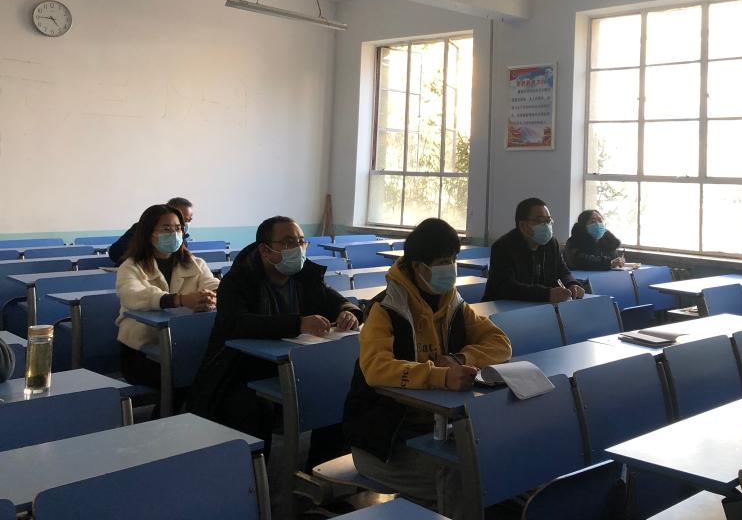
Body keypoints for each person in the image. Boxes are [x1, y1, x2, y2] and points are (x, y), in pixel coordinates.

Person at [343, 217, 511, 515]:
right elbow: (376, 368)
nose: (452, 268)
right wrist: (439, 377)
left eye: (454, 259)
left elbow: (500, 343)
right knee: (464, 479)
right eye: (444, 262)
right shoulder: (385, 309)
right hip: (384, 443)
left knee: (494, 462)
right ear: (419, 267)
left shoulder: (453, 304)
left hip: (436, 431)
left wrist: (461, 359)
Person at [186, 215, 362, 466]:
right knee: (252, 408)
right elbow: (237, 323)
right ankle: (253, 478)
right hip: (239, 369)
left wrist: (349, 313)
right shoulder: (238, 281)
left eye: (301, 241)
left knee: (339, 392)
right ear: (265, 250)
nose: (297, 248)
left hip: (294, 365)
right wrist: (298, 323)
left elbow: (337, 301)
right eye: (288, 242)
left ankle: (321, 472)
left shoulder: (305, 276)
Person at [115, 203, 219, 393]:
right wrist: (180, 300)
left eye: (178, 228)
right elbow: (133, 295)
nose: (174, 234)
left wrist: (212, 297)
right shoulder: (130, 267)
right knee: (190, 379)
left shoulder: (195, 263)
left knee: (216, 375)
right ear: (148, 233)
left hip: (185, 346)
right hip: (142, 351)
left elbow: (212, 284)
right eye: (166, 229)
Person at [482, 197, 585, 302]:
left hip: (538, 306)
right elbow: (506, 287)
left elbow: (563, 272)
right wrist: (546, 294)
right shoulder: (503, 246)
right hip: (501, 306)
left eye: (548, 220)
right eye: (540, 221)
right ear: (523, 225)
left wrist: (571, 284)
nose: (547, 225)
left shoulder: (551, 243)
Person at [109, 196, 194, 264]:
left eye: (189, 220)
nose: (185, 223)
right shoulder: (141, 228)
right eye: (182, 218)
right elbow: (115, 252)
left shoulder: (181, 238)